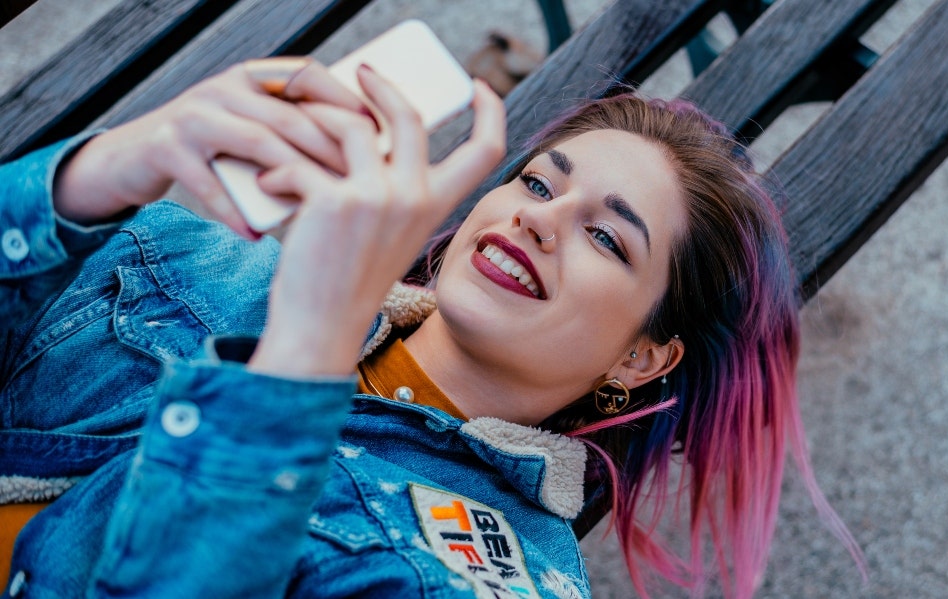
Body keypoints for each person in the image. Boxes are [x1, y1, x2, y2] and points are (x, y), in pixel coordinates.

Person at [0, 56, 863, 598]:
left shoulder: (486, 573)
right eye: (535, 183)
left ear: (642, 356)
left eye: (605, 235)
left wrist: (306, 355)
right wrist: (96, 175)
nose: (541, 218)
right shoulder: (204, 265)